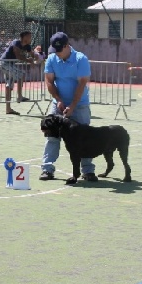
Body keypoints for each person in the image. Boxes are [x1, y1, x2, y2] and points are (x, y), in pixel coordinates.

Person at [39, 32, 96, 182]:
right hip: (58, 105)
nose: (57, 54)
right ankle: (47, 169)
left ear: (67, 46)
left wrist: (73, 105)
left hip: (80, 105)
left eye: (59, 50)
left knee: (84, 137)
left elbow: (81, 83)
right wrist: (58, 99)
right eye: (54, 50)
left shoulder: (80, 59)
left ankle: (88, 170)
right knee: (52, 136)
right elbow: (49, 81)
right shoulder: (51, 58)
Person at [0, 30, 35, 115]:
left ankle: (8, 108)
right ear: (24, 37)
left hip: (10, 65)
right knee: (21, 74)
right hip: (4, 63)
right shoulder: (16, 42)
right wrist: (28, 60)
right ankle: (20, 96)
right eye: (29, 36)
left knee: (9, 86)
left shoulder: (27, 46)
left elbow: (33, 54)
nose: (30, 38)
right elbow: (18, 55)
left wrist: (38, 57)